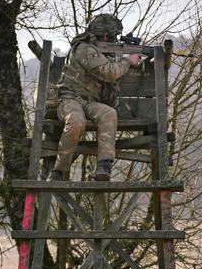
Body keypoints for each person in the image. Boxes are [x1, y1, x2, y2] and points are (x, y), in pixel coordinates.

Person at [49, 14, 141, 181]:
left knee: (109, 113)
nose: (113, 39)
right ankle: (59, 171)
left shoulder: (104, 52)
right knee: (76, 121)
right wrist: (128, 61)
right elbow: (108, 73)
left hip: (90, 102)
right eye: (112, 36)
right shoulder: (84, 48)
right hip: (70, 99)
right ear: (105, 35)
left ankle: (103, 165)